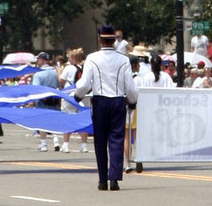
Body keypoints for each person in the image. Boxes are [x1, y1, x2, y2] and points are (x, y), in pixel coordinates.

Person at [74, 23, 137, 191]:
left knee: (100, 141)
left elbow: (85, 83)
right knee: (116, 139)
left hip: (100, 101)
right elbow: (130, 87)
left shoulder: (92, 58)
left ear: (100, 40)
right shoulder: (123, 60)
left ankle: (102, 179)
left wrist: (78, 95)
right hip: (117, 101)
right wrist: (132, 101)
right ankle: (114, 178)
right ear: (114, 41)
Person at [30, 51, 61, 151]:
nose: (37, 62)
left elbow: (36, 89)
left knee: (42, 122)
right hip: (53, 100)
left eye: (38, 59)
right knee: (54, 121)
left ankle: (43, 144)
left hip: (42, 101)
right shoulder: (54, 72)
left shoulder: (38, 74)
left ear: (42, 60)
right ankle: (56, 140)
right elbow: (58, 85)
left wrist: (32, 101)